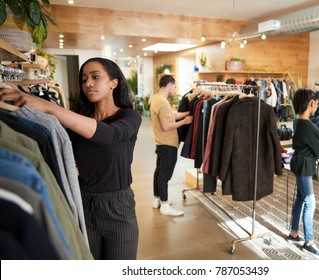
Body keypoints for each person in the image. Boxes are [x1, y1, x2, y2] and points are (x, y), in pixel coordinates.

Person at [0, 57, 142, 260]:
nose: (88, 84)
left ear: (114, 82)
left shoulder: (129, 117)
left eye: (95, 77)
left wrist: (48, 107)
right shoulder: (76, 120)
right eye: (84, 79)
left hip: (118, 207)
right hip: (82, 202)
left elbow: (108, 135)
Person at [288, 88, 319, 260]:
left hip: (299, 163)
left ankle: (293, 233)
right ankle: (309, 242)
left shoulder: (297, 120)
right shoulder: (306, 126)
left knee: (300, 198)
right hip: (305, 167)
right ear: (312, 104)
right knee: (310, 202)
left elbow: (309, 129)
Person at [150, 75, 192, 216]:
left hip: (161, 143)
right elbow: (167, 126)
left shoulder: (157, 99)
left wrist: (185, 113)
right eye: (174, 86)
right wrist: (185, 122)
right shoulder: (163, 103)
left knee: (158, 173)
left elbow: (169, 115)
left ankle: (157, 200)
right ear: (169, 85)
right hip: (168, 145)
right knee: (164, 176)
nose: (175, 89)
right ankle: (165, 206)